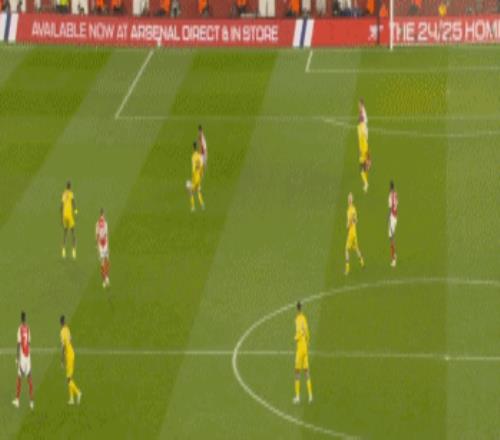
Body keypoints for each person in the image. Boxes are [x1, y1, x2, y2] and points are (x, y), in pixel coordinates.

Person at [12, 311, 34, 410]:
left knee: (19, 378)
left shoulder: (19, 329)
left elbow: (18, 344)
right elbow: (29, 343)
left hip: (22, 358)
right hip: (28, 356)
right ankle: (31, 402)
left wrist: (17, 357)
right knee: (29, 378)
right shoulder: (28, 328)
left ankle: (17, 400)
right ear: (26, 318)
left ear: (21, 318)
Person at [293, 302, 313, 404]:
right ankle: (310, 396)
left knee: (297, 372)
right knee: (307, 371)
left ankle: (297, 397)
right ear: (302, 308)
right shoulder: (304, 318)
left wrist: (296, 338)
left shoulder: (297, 319)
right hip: (305, 346)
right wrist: (308, 341)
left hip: (300, 348)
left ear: (297, 309)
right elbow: (306, 331)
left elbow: (299, 331)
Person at [60, 315, 82, 405]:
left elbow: (63, 346)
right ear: (64, 322)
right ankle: (71, 399)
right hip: (72, 353)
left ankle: (78, 392)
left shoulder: (62, 331)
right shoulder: (67, 329)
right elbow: (70, 341)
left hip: (69, 356)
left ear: (60, 323)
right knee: (70, 377)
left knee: (68, 379)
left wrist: (62, 360)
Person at [345, 192, 365, 275]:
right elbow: (356, 220)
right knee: (356, 248)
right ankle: (362, 262)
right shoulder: (352, 208)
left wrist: (348, 224)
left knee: (346, 249)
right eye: (348, 198)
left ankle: (347, 269)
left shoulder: (351, 209)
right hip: (354, 232)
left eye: (350, 198)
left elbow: (353, 219)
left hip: (351, 232)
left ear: (352, 200)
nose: (349, 200)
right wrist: (352, 221)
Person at [61, 181, 77, 260]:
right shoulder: (71, 193)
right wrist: (76, 210)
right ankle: (73, 251)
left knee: (65, 232)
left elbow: (61, 205)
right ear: (70, 187)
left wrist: (61, 217)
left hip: (64, 215)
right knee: (73, 232)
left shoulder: (64, 194)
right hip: (69, 215)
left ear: (66, 186)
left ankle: (63, 250)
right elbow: (73, 202)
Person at [357, 98, 370, 193]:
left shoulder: (361, 127)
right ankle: (366, 183)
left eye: (359, 104)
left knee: (362, 170)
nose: (358, 106)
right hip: (363, 150)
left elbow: (363, 137)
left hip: (364, 151)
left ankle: (366, 183)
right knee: (362, 170)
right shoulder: (361, 127)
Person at [188, 142, 205, 212]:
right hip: (199, 176)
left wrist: (192, 179)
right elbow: (202, 166)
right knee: (198, 191)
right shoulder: (199, 156)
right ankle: (202, 204)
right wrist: (201, 174)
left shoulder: (193, 157)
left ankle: (193, 207)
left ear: (193, 148)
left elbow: (193, 169)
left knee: (190, 192)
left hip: (195, 177)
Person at [96, 209, 110, 288]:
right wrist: (108, 246)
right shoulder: (105, 223)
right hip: (105, 244)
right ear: (103, 214)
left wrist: (97, 246)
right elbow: (106, 235)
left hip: (100, 245)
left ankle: (104, 280)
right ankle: (107, 277)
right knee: (107, 261)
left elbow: (97, 235)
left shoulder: (97, 223)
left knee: (102, 263)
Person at [388, 180, 398, 267]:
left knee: (391, 238)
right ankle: (394, 256)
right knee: (391, 237)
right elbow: (396, 204)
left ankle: (394, 259)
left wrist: (388, 218)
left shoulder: (390, 195)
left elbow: (390, 207)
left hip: (392, 217)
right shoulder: (395, 194)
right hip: (395, 217)